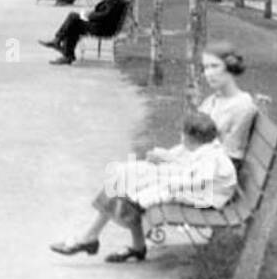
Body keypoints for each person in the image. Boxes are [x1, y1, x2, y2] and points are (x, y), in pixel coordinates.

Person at [49, 110, 238, 263]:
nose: (181, 138)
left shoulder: (210, 157)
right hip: (193, 188)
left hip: (205, 197)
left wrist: (162, 178)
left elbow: (196, 181)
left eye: (183, 135)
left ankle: (95, 239)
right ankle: (101, 239)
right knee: (123, 178)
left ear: (191, 138)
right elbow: (184, 161)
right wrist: (163, 158)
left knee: (127, 188)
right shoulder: (205, 149)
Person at [39, 0, 129, 64]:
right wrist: (89, 14)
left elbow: (105, 15)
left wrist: (89, 15)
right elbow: (105, 13)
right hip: (103, 25)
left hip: (104, 28)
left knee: (73, 19)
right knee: (74, 21)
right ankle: (63, 49)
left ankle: (61, 46)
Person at [197, 40, 256, 174]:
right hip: (199, 169)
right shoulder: (211, 101)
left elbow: (230, 157)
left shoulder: (242, 106)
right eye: (206, 67)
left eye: (214, 66)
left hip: (214, 180)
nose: (208, 73)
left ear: (230, 67)